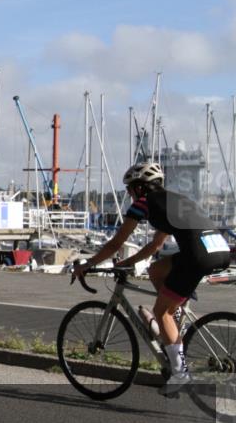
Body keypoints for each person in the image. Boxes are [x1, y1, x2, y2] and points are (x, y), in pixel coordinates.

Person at [73, 161, 231, 394]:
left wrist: (88, 264)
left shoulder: (143, 203)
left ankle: (179, 373)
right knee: (156, 270)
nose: (129, 194)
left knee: (161, 312)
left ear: (140, 187)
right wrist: (128, 262)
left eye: (130, 189)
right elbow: (155, 245)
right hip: (220, 250)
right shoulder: (173, 201)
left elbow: (116, 243)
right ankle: (175, 322)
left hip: (198, 256)